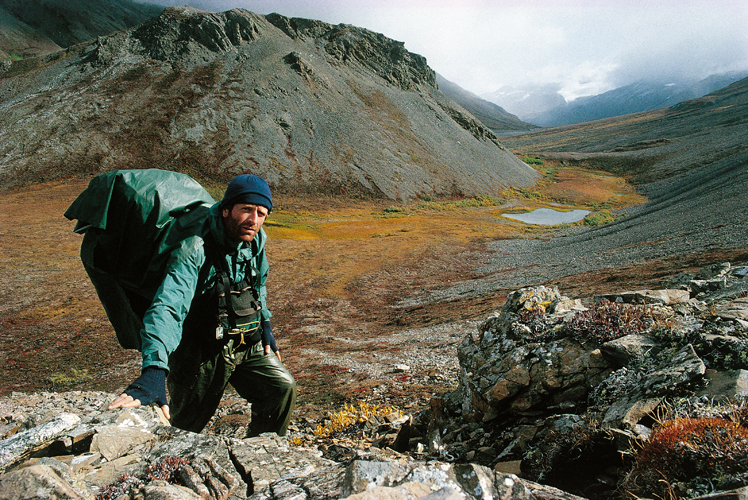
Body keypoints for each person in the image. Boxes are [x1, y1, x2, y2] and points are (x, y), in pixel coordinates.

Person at [106, 174, 296, 436]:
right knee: (185, 426)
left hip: (243, 340)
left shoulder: (255, 240)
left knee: (281, 390)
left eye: (262, 213)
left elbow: (257, 282)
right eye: (247, 210)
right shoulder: (194, 246)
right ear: (227, 209)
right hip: (200, 351)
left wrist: (265, 327)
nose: (254, 220)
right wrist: (154, 370)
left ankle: (261, 455)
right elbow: (169, 306)